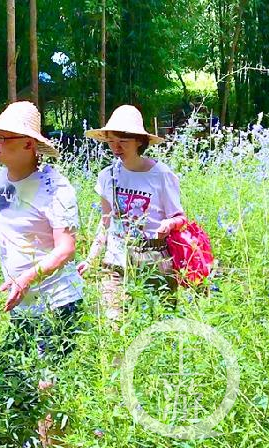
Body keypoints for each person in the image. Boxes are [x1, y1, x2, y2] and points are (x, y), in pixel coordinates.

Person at [0, 101, 84, 448]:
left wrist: (27, 278)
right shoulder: (1, 178)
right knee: (11, 379)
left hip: (57, 304)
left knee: (47, 388)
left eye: (6, 137)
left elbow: (66, 248)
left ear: (29, 145)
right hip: (22, 305)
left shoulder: (55, 187)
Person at [78, 104, 187, 322]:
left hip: (152, 259)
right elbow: (106, 222)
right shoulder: (107, 176)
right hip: (115, 259)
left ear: (139, 141)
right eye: (111, 142)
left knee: (156, 323)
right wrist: (91, 259)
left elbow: (180, 217)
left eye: (123, 142)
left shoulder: (161, 175)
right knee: (114, 325)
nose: (116, 148)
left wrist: (168, 224)